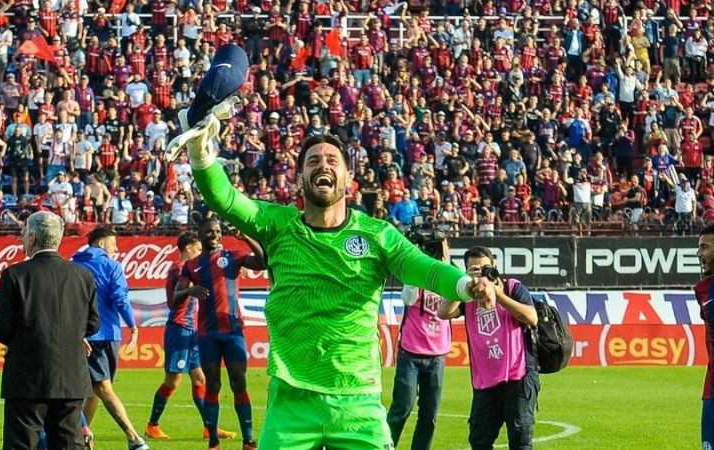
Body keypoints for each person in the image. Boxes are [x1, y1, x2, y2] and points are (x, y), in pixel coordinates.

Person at [174, 101, 493, 448]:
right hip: (290, 402)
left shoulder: (377, 234)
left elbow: (426, 268)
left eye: (331, 161)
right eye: (312, 161)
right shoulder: (278, 225)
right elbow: (226, 200)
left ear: (348, 177)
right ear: (298, 179)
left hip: (358, 403)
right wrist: (201, 154)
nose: (322, 165)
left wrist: (465, 284)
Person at [0, 211, 99, 449]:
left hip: (27, 376)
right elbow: (93, 324)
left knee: (21, 443)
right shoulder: (83, 275)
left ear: (32, 237)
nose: (22, 239)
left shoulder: (15, 274)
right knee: (69, 443)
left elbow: (1, 327)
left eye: (23, 234)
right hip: (71, 374)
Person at [175, 218, 265, 450]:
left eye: (217, 231)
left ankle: (249, 440)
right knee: (213, 385)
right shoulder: (191, 266)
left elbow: (263, 262)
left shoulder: (233, 256)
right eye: (209, 231)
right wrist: (189, 290)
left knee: (239, 382)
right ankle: (213, 440)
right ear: (200, 234)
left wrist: (245, 238)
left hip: (233, 331)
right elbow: (175, 298)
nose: (214, 235)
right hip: (207, 334)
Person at [443, 246, 539, 450]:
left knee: (521, 441)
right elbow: (443, 313)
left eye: (485, 268)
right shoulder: (467, 297)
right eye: (474, 270)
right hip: (485, 382)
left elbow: (531, 317)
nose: (481, 274)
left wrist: (498, 294)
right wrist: (461, 285)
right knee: (479, 441)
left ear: (494, 267)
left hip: (518, 376)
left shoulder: (512, 287)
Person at [145, 231, 237, 441]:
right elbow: (173, 302)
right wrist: (191, 289)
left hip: (193, 331)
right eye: (197, 248)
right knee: (173, 381)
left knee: (199, 378)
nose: (200, 252)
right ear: (187, 248)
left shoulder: (192, 269)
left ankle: (209, 427)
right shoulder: (178, 270)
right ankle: (152, 425)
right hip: (179, 329)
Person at [72, 226, 149, 450]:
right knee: (102, 388)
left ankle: (83, 435)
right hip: (109, 335)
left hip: (83, 336)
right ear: (102, 244)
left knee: (96, 389)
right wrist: (133, 326)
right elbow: (120, 298)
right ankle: (134, 438)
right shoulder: (112, 266)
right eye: (114, 244)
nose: (117, 249)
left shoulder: (73, 265)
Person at [386, 237, 455, 450]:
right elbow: (408, 298)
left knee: (429, 414)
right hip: (411, 352)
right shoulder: (417, 275)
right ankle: (385, 446)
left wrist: (444, 260)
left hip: (437, 354)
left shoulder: (448, 273)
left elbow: (459, 292)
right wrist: (416, 263)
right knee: (402, 408)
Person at [694, 224, 714, 449]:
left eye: (704, 247)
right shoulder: (702, 290)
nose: (699, 254)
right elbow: (708, 333)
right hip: (712, 389)